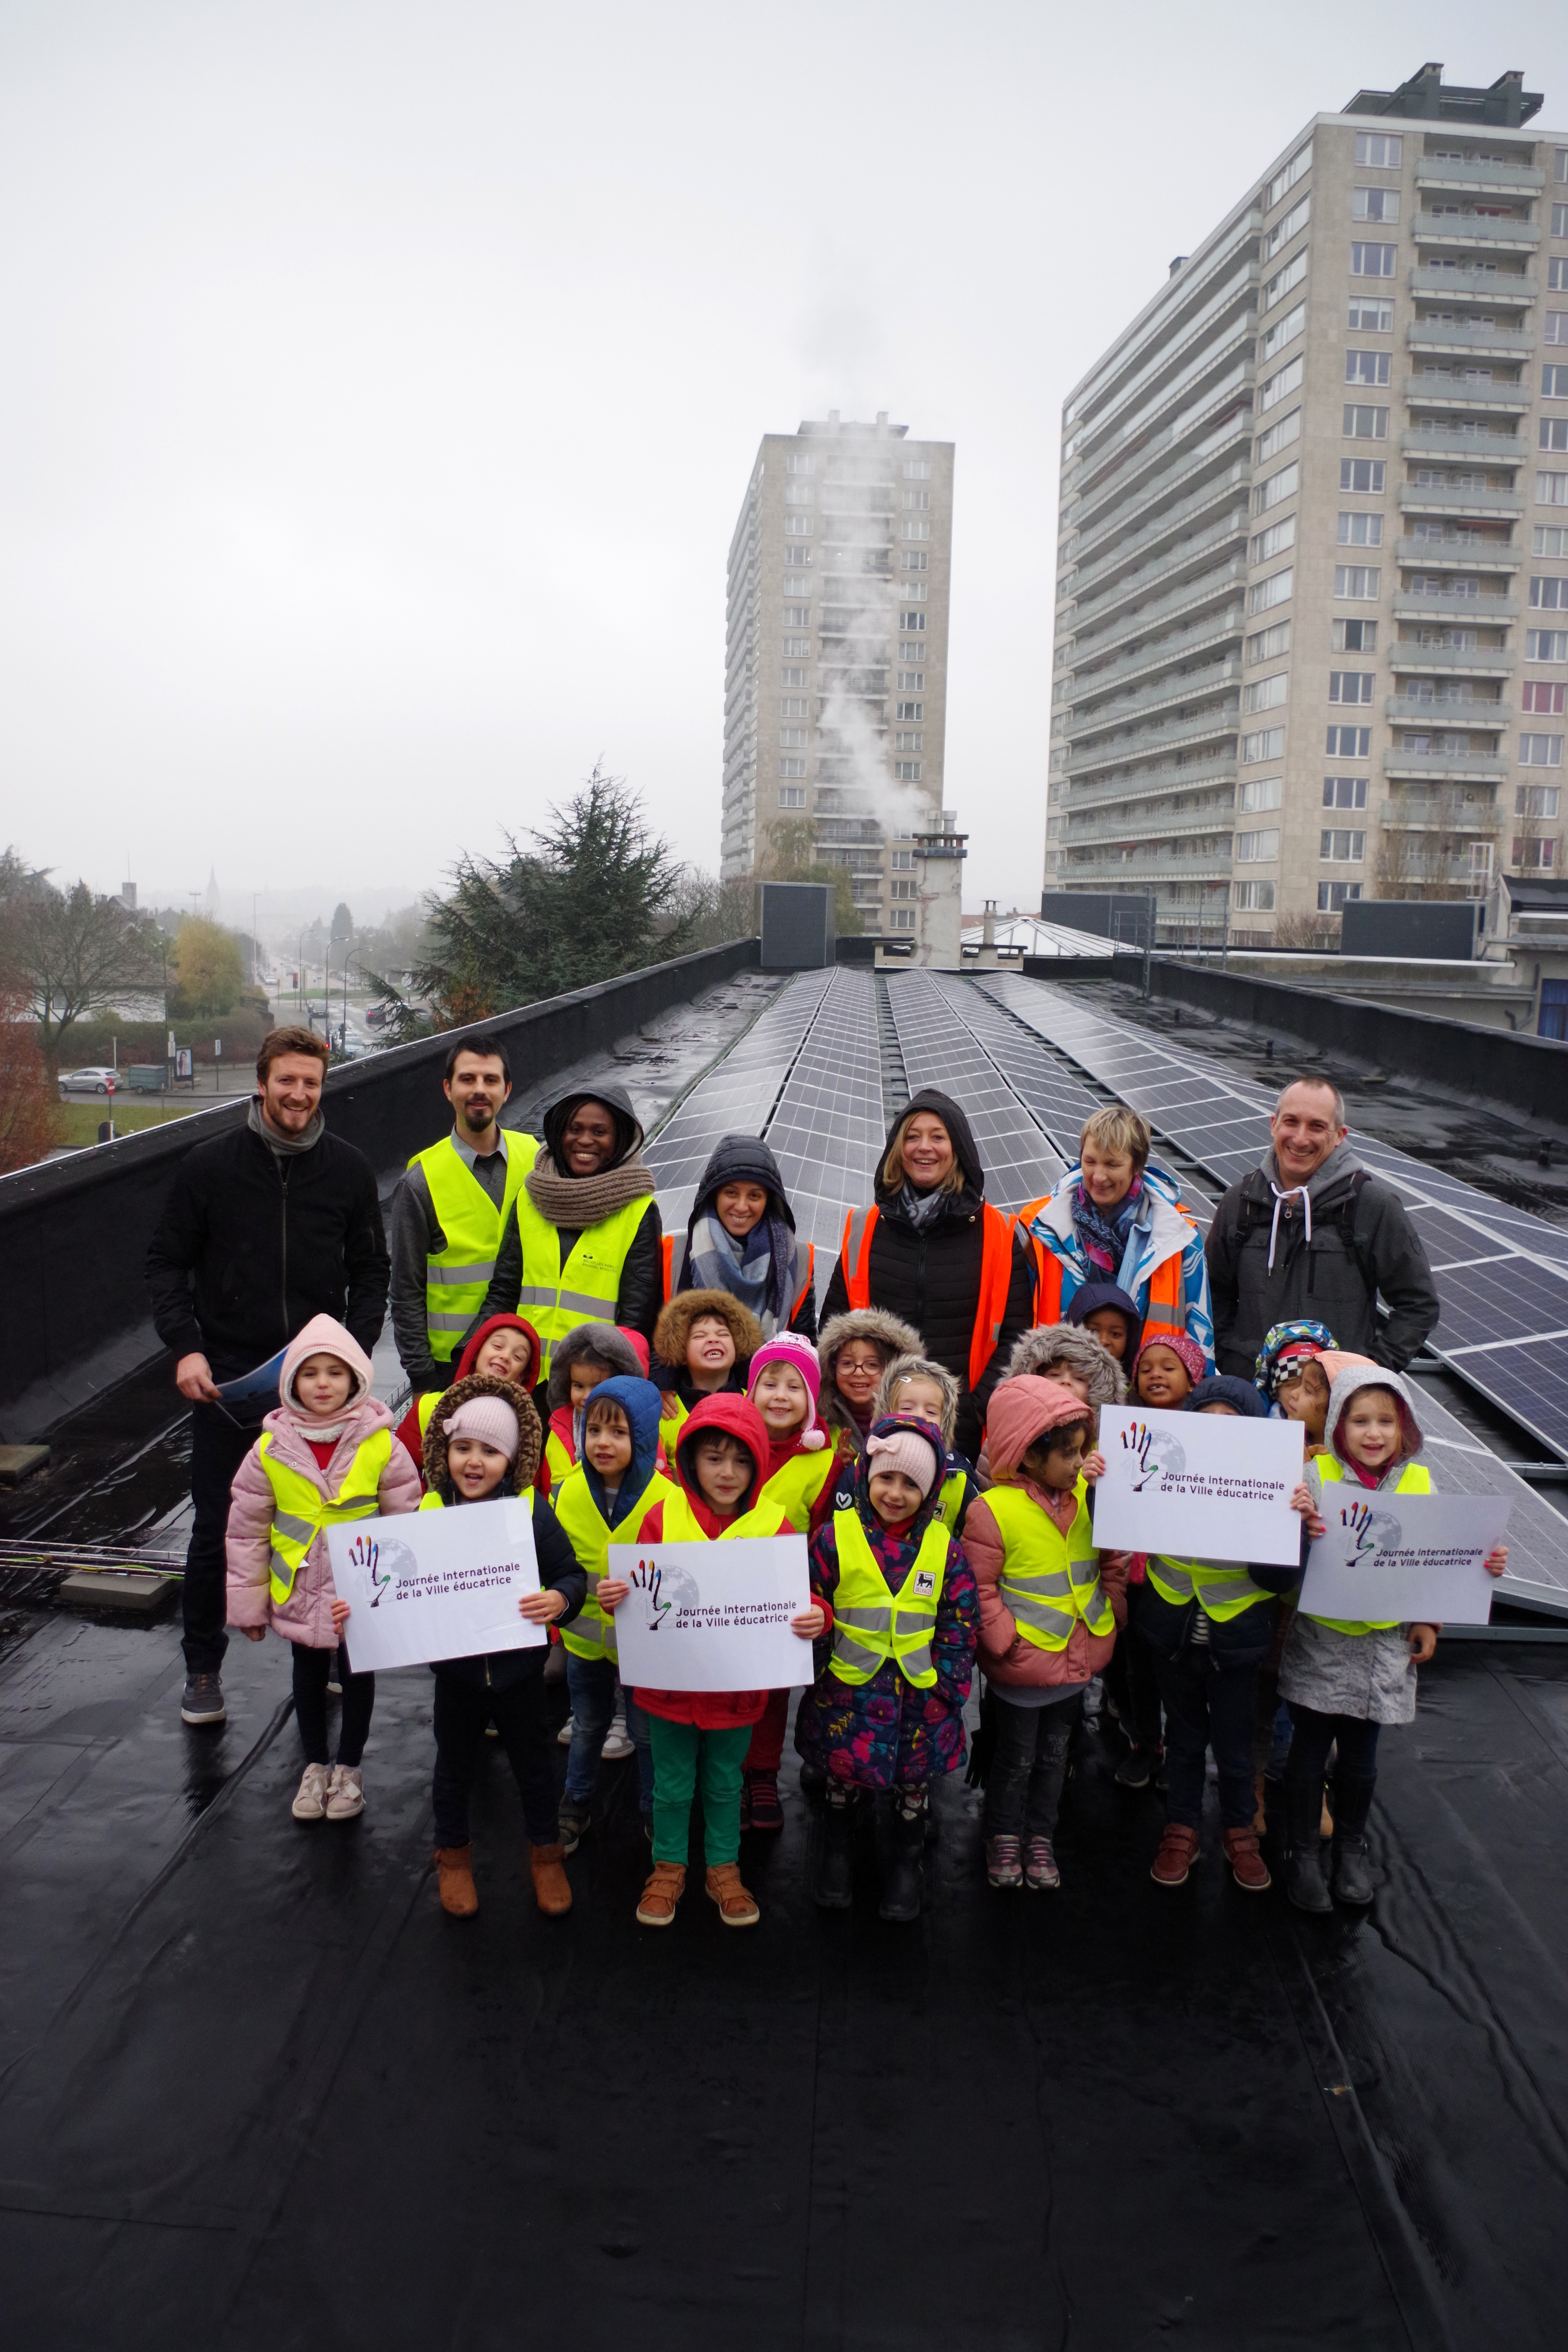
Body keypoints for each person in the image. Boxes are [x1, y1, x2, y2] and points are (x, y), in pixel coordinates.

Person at [145, 1025, 389, 1730]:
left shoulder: (346, 1170)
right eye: (287, 1080)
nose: (299, 1094)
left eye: (311, 1083)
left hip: (321, 1387)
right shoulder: (209, 1167)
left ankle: (327, 1652)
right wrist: (186, 1347)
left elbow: (371, 1269)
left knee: (335, 1528)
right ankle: (202, 1667)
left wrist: (353, 1352)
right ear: (262, 1083)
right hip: (229, 1381)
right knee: (219, 1528)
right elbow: (166, 1263)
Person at [1281, 1363, 1508, 1911]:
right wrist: (1295, 1520)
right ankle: (1302, 1852)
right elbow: (1285, 1558)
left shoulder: (1419, 1482)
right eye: (1360, 1420)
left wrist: (1442, 1608)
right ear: (1338, 1425)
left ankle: (1352, 1846)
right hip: (1324, 1637)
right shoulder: (1315, 1478)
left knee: (1362, 1751)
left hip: (1385, 1644)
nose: (1374, 1432)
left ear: (1404, 1427)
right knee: (1310, 1747)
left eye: (1386, 1420)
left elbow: (1438, 1557)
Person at [598, 1395, 818, 1929]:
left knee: (725, 1784)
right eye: (714, 1457)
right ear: (691, 1458)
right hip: (669, 1691)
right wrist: (617, 1595)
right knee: (671, 1785)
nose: (728, 1472)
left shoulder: (775, 1525)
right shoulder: (662, 1515)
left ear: (760, 1466)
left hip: (737, 1693)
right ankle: (668, 1866)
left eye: (742, 1461)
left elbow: (797, 1597)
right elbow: (637, 1584)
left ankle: (723, 1867)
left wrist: (818, 1615)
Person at [225, 1314, 421, 1821]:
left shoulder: (381, 1444)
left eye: (335, 1372)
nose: (323, 1384)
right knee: (307, 1674)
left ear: (356, 1378)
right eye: (310, 1373)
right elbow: (246, 1529)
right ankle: (315, 1766)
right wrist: (248, 1603)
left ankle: (349, 1769)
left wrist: (404, 1595)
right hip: (300, 1586)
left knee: (359, 1675)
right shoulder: (270, 1449)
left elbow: (407, 1522)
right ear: (292, 1383)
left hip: (362, 1590)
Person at [799, 1415, 979, 1923]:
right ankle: (836, 1853)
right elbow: (811, 1598)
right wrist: (816, 1653)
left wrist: (949, 1683)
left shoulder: (944, 1548)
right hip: (847, 1693)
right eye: (886, 1478)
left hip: (921, 1697)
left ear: (930, 1490)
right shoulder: (835, 1539)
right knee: (841, 1778)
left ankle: (906, 1863)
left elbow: (960, 1618)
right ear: (866, 1476)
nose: (896, 1493)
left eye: (911, 1483)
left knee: (913, 1786)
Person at [421, 1376, 587, 1920]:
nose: (474, 1462)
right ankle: (453, 1858)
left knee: (535, 1769)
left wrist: (559, 1600)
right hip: (458, 1678)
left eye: (490, 1451)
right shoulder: (429, 1514)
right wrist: (364, 1610)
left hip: (520, 1677)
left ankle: (546, 1855)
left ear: (512, 1460)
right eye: (463, 1447)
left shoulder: (531, 1512)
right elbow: (396, 1590)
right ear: (445, 1452)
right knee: (453, 1770)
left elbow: (570, 1574)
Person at [962, 1376, 1127, 1891]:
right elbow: (981, 1589)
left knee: (1056, 1754)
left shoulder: (1088, 1497)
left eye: (1083, 1451)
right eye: (1069, 1454)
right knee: (1017, 1757)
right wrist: (1005, 1643)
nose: (1080, 1463)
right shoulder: (993, 1511)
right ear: (1028, 1457)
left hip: (1076, 1660)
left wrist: (1113, 1611)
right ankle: (1005, 1835)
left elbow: (1113, 1559)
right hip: (1021, 1665)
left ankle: (1040, 1836)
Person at [1141, 1375, 1297, 1893]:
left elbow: (1278, 1580)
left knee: (1234, 1747)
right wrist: (1104, 1486)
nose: (1218, 1436)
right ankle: (1181, 1827)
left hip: (1237, 1641)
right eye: (1205, 1425)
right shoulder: (1163, 1475)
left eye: (1232, 1427)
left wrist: (1287, 1523)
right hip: (1174, 1632)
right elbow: (1115, 1527)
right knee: (1183, 1741)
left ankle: (1239, 1829)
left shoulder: (1272, 1490)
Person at [821, 1090, 1035, 1461]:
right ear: (897, 1148)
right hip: (875, 1426)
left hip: (963, 1431)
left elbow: (1018, 1339)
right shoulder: (865, 1227)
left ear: (959, 1148)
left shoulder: (1000, 1233)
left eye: (938, 1136)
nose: (924, 1147)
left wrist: (969, 1409)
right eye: (912, 1136)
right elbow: (834, 1326)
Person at [1206, 1077, 1439, 1378]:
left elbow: (1418, 1305)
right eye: (1291, 1122)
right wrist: (1233, 1359)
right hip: (1255, 1402)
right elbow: (1213, 1291)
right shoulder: (1240, 1203)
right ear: (1274, 1125)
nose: (1300, 1139)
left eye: (1317, 1126)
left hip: (1336, 1400)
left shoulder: (1372, 1208)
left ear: (1340, 1135)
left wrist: (1368, 1372)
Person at [551, 1375, 673, 1846]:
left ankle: (651, 1807)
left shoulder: (667, 1499)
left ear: (642, 1437)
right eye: (593, 1430)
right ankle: (576, 1800)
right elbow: (557, 1565)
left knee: (646, 1736)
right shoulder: (565, 1494)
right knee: (586, 1728)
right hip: (584, 1644)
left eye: (619, 1433)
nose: (603, 1443)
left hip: (643, 1652)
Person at [388, 1036, 537, 1407]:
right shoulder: (421, 1181)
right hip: (450, 1370)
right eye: (468, 1079)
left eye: (490, 1080)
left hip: (531, 1363)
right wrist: (422, 1379)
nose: (479, 1090)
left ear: (507, 1090)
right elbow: (406, 1291)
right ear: (448, 1089)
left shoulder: (537, 1160)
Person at [477, 1082, 663, 1367]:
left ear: (621, 1141)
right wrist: (475, 1356)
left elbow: (637, 1319)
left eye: (599, 1132)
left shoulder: (639, 1211)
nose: (585, 1140)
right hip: (525, 1376)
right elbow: (504, 1291)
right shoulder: (529, 1198)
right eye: (574, 1130)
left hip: (593, 1386)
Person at [1021, 1107, 1212, 1358]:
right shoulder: (1041, 1229)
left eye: (1113, 1164)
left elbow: (1200, 1336)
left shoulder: (1179, 1237)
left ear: (1136, 1166)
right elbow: (1017, 1324)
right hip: (1060, 1385)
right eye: (1090, 1162)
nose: (1099, 1176)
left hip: (1149, 1392)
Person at [663, 1135, 817, 1339]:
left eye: (754, 1195)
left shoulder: (797, 1257)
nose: (742, 1207)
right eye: (731, 1193)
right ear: (714, 1194)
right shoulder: (676, 1252)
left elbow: (805, 1341)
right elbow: (660, 1344)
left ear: (769, 1201)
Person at [393, 1312, 542, 1475]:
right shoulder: (428, 1408)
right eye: (498, 1346)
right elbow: (400, 1472)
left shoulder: (525, 1426)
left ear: (523, 1377)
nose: (505, 1356)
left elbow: (529, 1483)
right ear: (476, 1351)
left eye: (518, 1357)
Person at [872, 1354, 980, 1535]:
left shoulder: (958, 1479)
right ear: (887, 1412)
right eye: (907, 1408)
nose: (920, 1416)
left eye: (931, 1411)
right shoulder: (867, 1462)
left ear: (945, 1421)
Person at [540, 1322, 651, 1492]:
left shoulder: (640, 1425)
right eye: (578, 1386)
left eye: (597, 1386)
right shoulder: (561, 1426)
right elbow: (554, 1486)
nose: (587, 1396)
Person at [652, 1288, 765, 1450]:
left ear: (738, 1346)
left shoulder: (756, 1404)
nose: (713, 1339)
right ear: (681, 1353)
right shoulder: (666, 1413)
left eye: (723, 1334)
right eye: (700, 1336)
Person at [817, 1308, 923, 1465]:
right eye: (847, 1363)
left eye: (872, 1365)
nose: (859, 1373)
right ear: (831, 1369)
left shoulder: (911, 1417)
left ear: (893, 1369)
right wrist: (836, 1466)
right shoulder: (820, 1424)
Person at [998, 1323, 1127, 1413]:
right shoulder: (1014, 1431)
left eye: (1079, 1379)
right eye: (1055, 1375)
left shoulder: (1100, 1445)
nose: (1066, 1381)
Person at [1064, 1281, 1142, 1372]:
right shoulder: (1056, 1380)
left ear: (1129, 1340)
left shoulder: (1137, 1384)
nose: (1103, 1341)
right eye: (1093, 1331)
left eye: (1115, 1334)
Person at [1132, 1331, 1205, 1410]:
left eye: (1168, 1368)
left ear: (1191, 1383)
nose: (1155, 1374)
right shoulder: (1123, 1418)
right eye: (1146, 1370)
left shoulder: (1210, 1418)